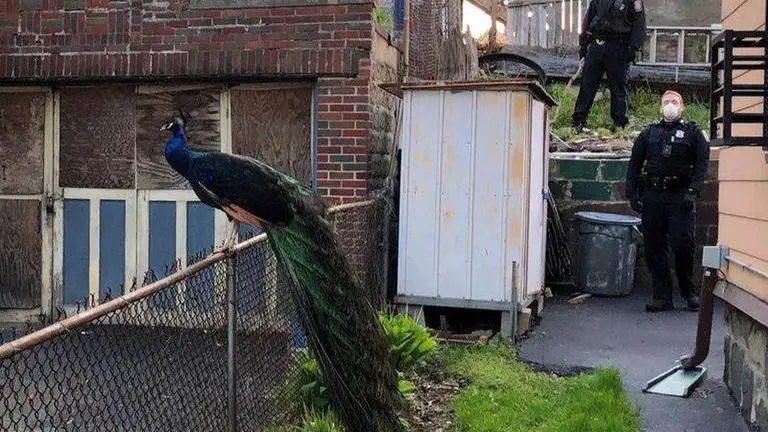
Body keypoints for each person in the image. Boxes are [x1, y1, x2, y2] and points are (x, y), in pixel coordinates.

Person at [626, 90, 710, 312]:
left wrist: (693, 191)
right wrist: (632, 194)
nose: (670, 105)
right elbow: (634, 165)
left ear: (682, 107)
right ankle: (661, 296)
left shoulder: (692, 133)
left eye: (674, 102)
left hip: (680, 196)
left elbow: (702, 164)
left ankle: (688, 291)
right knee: (654, 245)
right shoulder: (648, 134)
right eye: (666, 102)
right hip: (653, 196)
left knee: (683, 244)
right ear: (660, 107)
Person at [573, 0, 647, 132]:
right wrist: (583, 47)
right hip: (597, 44)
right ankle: (579, 121)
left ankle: (619, 123)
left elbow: (639, 23)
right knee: (587, 84)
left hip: (618, 46)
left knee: (618, 86)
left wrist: (633, 47)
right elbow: (588, 20)